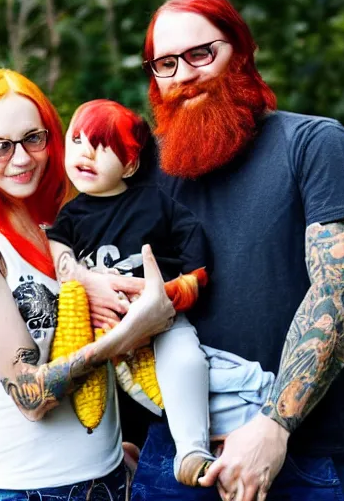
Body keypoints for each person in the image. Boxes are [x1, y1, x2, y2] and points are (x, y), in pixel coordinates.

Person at [0, 68, 175, 501]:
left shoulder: (54, 229)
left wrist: (114, 456)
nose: (21, 159)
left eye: (34, 139)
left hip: (108, 480)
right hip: (30, 490)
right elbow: (30, 396)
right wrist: (132, 331)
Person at [131, 0, 344, 500]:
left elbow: (338, 295)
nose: (184, 74)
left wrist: (275, 427)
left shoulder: (316, 145)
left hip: (302, 458)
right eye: (165, 63)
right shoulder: (147, 177)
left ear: (242, 53)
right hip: (176, 459)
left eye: (200, 54)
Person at [46, 98, 275, 487]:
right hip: (105, 331)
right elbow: (54, 251)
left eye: (102, 147)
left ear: (131, 165)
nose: (85, 154)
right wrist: (80, 276)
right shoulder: (69, 216)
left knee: (187, 364)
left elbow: (194, 244)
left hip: (161, 320)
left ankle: (192, 450)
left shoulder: (153, 202)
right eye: (77, 141)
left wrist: (179, 290)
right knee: (122, 394)